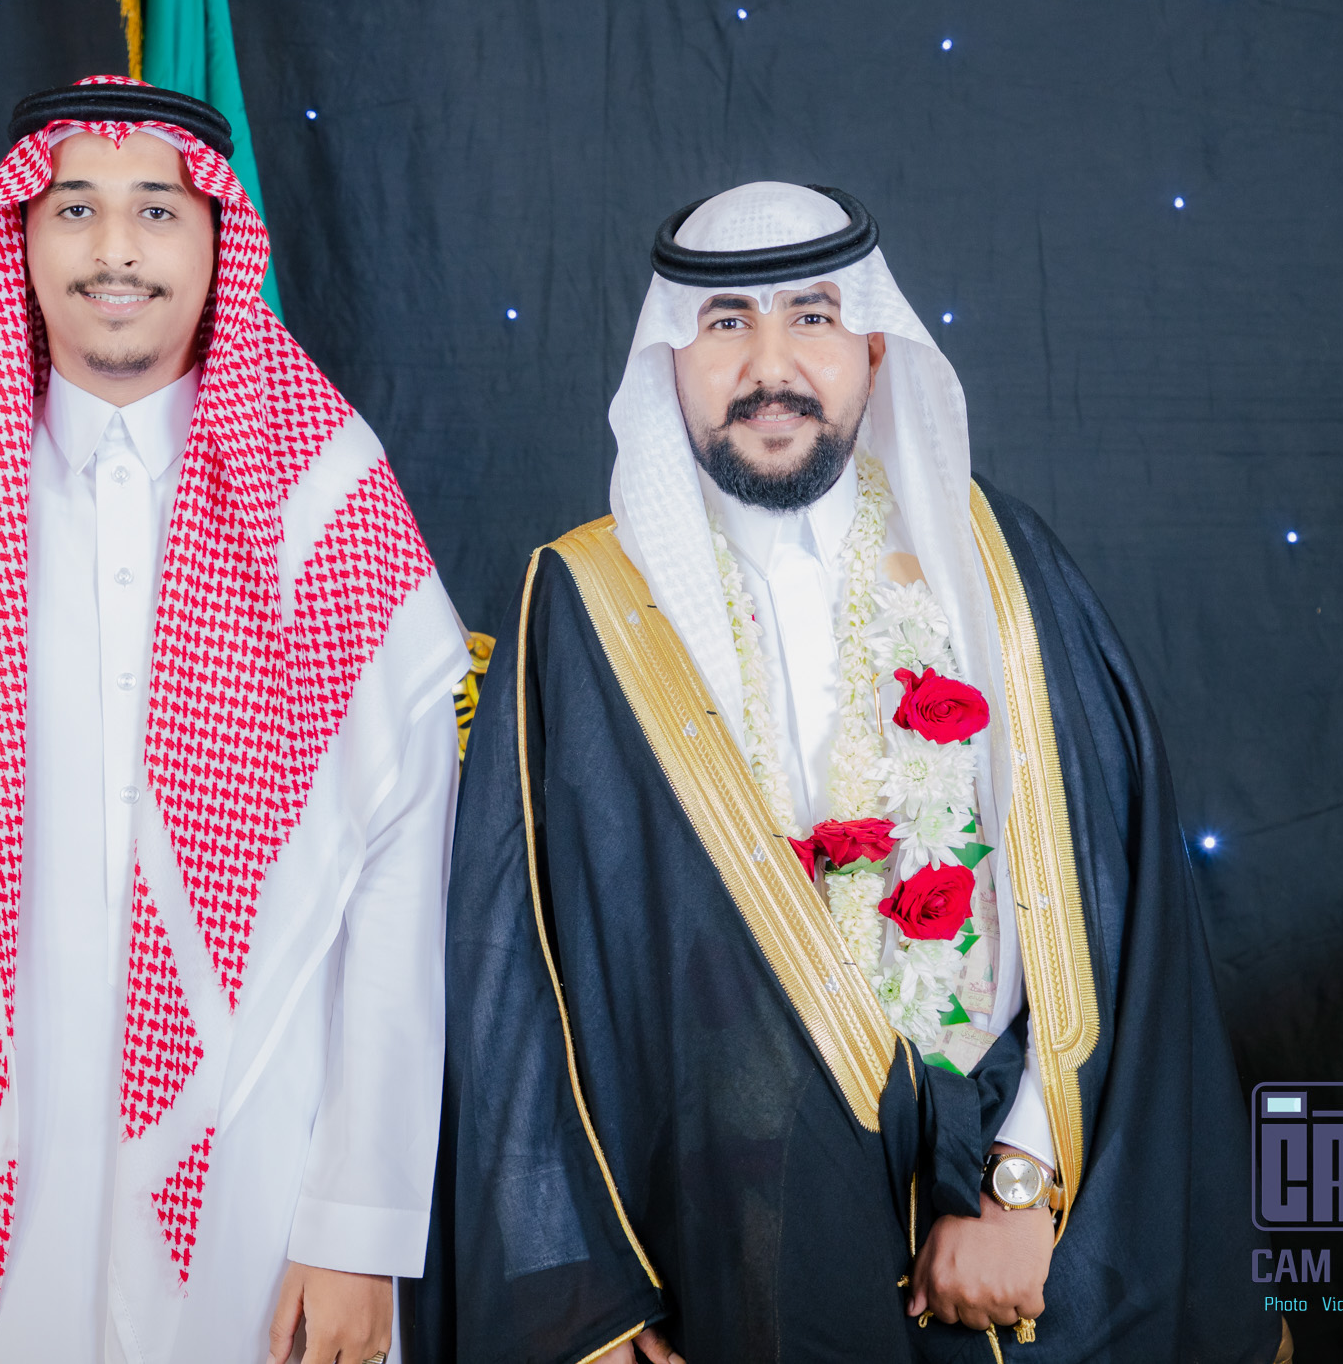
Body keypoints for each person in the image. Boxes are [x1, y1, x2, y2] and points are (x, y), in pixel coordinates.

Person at [409, 182, 1284, 1362]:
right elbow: (512, 971)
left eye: (811, 318)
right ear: (668, 359)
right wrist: (585, 1307)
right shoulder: (580, 606)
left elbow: (1110, 895)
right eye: (725, 324)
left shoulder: (998, 564)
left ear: (873, 346)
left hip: (1008, 1235)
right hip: (719, 1237)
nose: (769, 366)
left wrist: (1021, 1180)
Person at [0, 76, 467, 1364]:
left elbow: (395, 891)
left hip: (267, 1193)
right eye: (74, 209)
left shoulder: (326, 505)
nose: (114, 250)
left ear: (215, 243)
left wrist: (358, 1226)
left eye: (155, 210)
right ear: (19, 240)